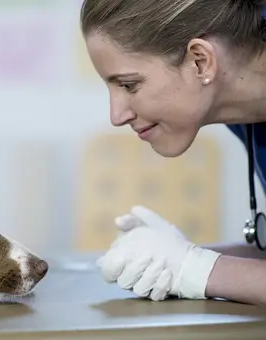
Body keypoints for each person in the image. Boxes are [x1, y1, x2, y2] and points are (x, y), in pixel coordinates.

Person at [80, 0, 266, 306]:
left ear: (200, 62)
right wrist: (173, 256)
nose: (117, 115)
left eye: (129, 85)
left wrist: (197, 269)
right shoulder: (246, 117)